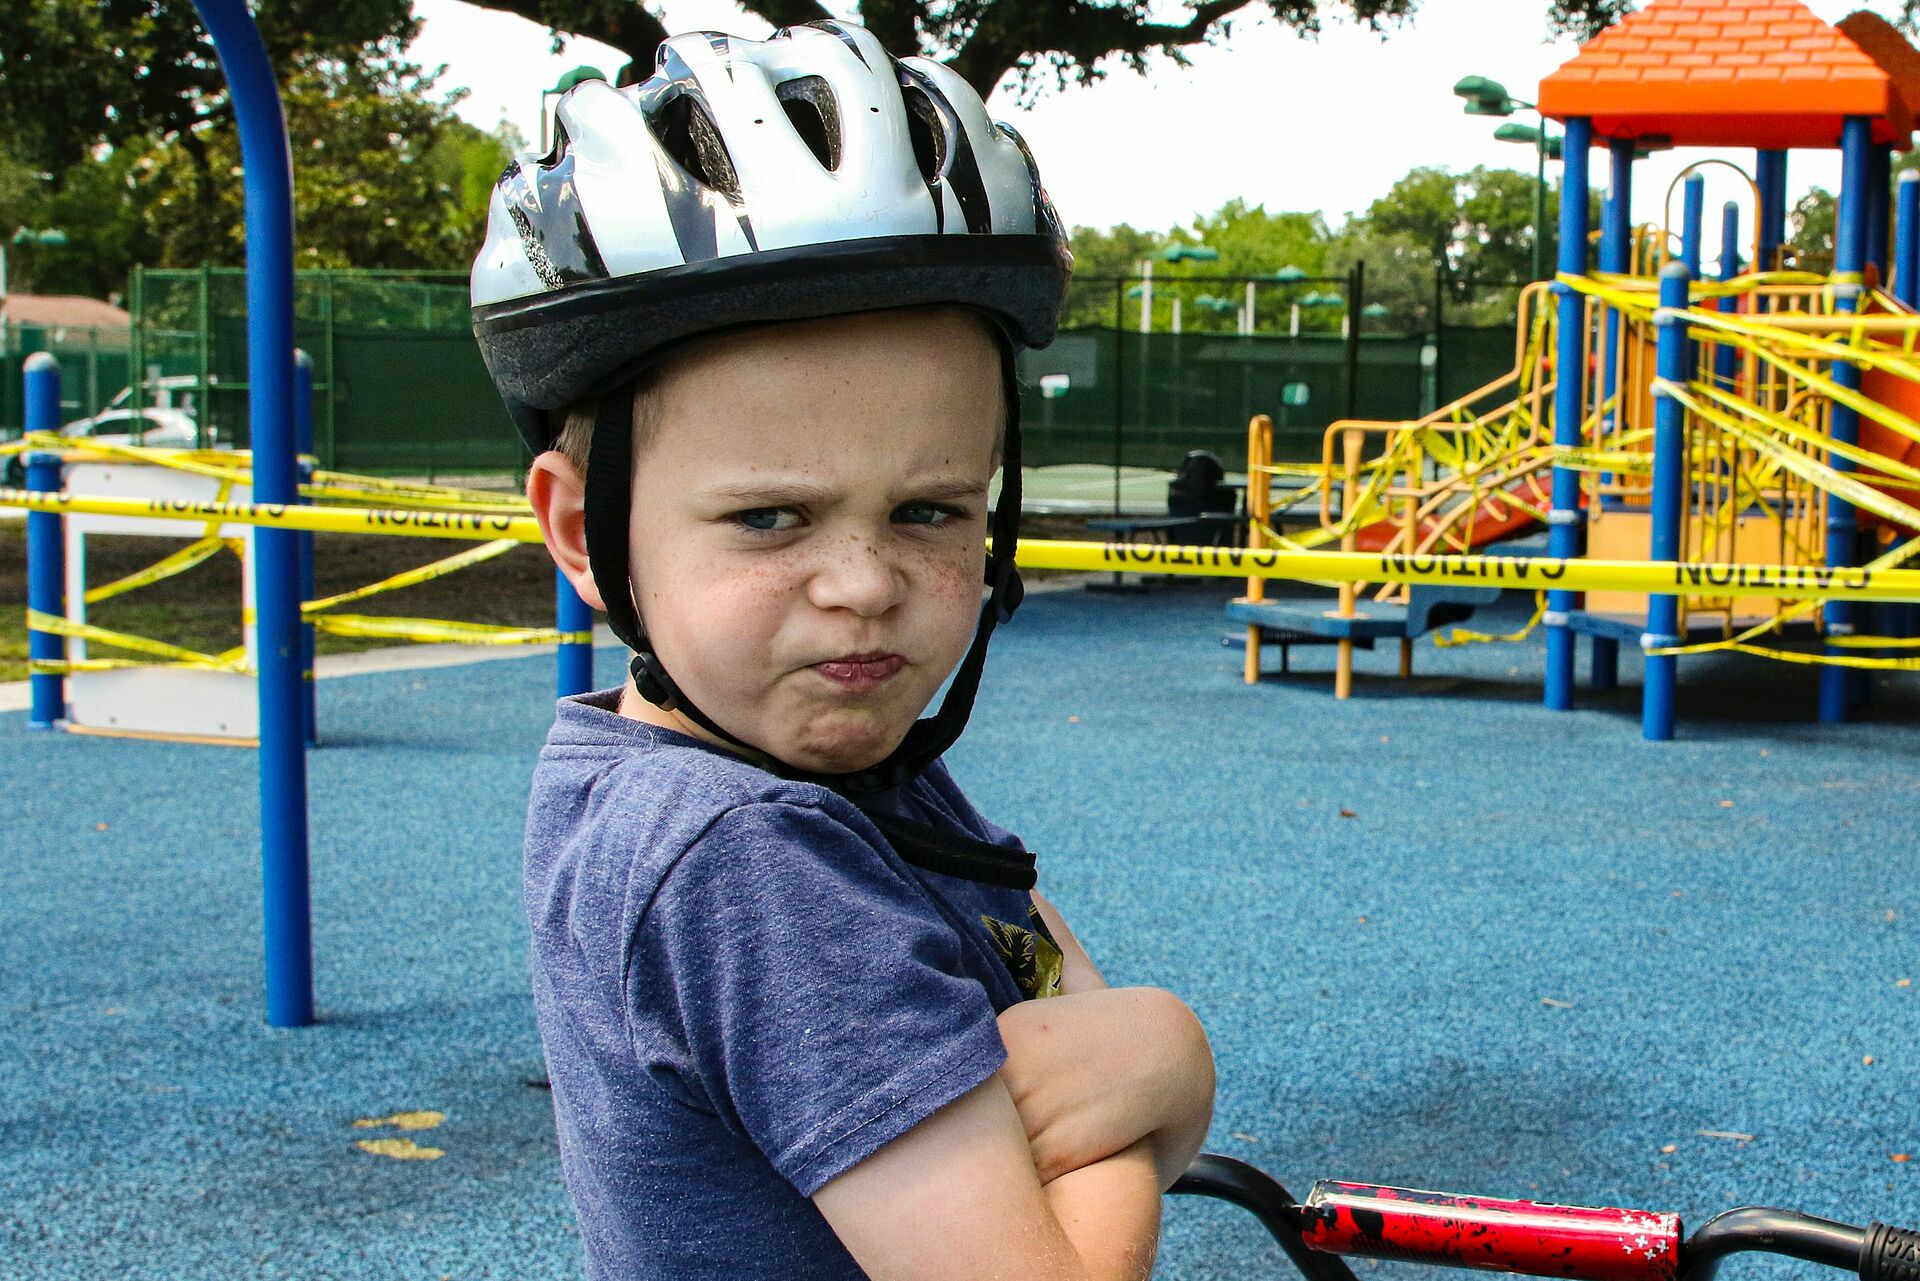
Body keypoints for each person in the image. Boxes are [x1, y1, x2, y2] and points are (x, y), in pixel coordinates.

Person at [472, 21, 1215, 1280]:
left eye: (930, 511)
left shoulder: (845, 766)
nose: (865, 588)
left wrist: (1124, 1072)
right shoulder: (751, 861)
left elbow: (1046, 997)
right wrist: (1167, 1058)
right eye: (770, 517)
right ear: (583, 533)